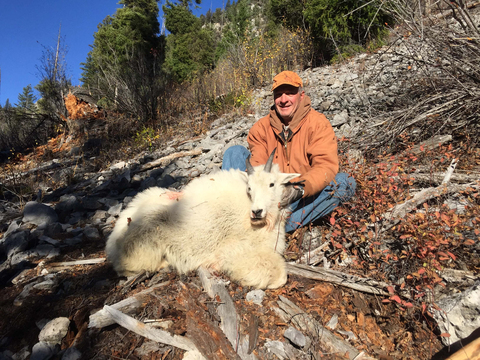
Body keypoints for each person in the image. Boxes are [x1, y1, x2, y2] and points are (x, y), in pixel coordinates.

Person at [222, 70, 356, 233]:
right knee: (234, 153)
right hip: (268, 195)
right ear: (273, 99)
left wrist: (298, 189)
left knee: (345, 182)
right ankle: (237, 215)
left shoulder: (318, 124)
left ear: (301, 95)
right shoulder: (261, 129)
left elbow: (325, 167)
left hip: (300, 195)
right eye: (279, 94)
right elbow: (258, 167)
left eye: (290, 93)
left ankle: (277, 225)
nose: (284, 100)